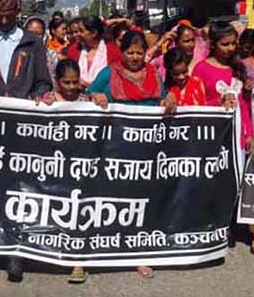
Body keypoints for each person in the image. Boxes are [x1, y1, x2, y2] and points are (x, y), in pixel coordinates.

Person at [0, 0, 52, 283]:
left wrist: (38, 95)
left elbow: (43, 81)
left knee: (20, 186)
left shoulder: (32, 42)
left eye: (9, 12)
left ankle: (16, 250)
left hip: (22, 126)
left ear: (17, 11)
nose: (4, 18)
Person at [87, 31, 176, 279]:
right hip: (115, 150)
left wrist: (169, 99)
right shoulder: (108, 73)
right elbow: (89, 95)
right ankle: (107, 246)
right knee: (115, 199)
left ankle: (139, 252)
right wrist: (96, 96)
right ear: (122, 52)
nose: (135, 57)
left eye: (139, 53)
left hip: (147, 151)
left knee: (143, 200)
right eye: (130, 52)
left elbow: (164, 97)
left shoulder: (154, 73)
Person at [40, 59, 90, 284]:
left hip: (80, 167)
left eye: (74, 82)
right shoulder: (47, 101)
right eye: (66, 83)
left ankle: (77, 262)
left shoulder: (87, 100)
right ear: (57, 81)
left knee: (78, 212)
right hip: (53, 167)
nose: (71, 87)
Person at [192, 22, 254, 147]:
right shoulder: (201, 69)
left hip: (238, 134)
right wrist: (219, 102)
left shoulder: (238, 67)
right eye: (225, 44)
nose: (230, 48)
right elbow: (196, 104)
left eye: (233, 43)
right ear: (213, 44)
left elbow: (242, 104)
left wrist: (249, 133)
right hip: (213, 133)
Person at [66, 15, 122, 88]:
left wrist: (92, 87)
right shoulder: (74, 50)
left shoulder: (113, 52)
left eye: (81, 31)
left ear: (94, 33)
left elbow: (117, 79)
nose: (78, 34)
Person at [25, 16, 59, 82]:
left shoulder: (52, 55)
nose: (34, 37)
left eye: (38, 34)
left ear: (44, 35)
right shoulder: (18, 54)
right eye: (31, 33)